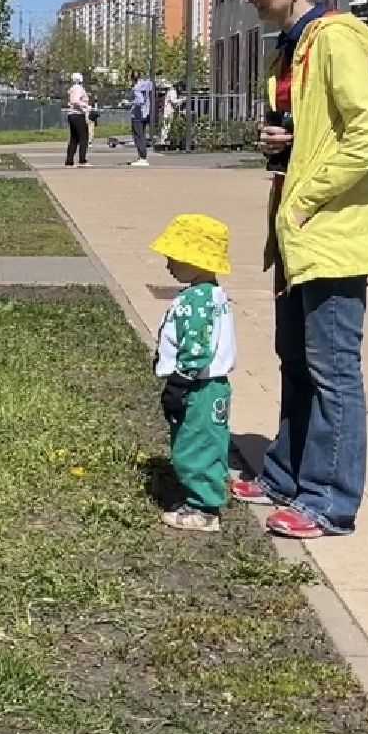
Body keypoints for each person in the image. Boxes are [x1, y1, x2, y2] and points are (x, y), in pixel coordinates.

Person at [234, 0, 368, 540]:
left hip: (329, 231)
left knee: (332, 369)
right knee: (296, 361)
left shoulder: (332, 40)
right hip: (296, 233)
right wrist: (279, 141)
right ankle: (284, 474)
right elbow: (313, 130)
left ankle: (328, 502)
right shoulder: (292, 48)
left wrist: (305, 198)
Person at [149, 214, 237, 533]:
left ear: (195, 260)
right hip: (215, 387)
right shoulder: (213, 294)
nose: (168, 264)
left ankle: (203, 510)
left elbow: (197, 348)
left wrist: (180, 382)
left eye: (173, 257)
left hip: (199, 387)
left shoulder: (194, 300)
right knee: (209, 442)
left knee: (194, 444)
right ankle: (204, 496)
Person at [64, 72, 92, 167]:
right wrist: (85, 106)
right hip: (78, 115)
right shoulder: (79, 89)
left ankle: (69, 160)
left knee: (74, 138)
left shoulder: (72, 89)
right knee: (84, 137)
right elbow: (75, 100)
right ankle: (82, 160)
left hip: (71, 115)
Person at [129, 70, 154, 166]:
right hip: (145, 112)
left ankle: (142, 157)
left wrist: (129, 103)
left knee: (138, 136)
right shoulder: (146, 84)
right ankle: (142, 156)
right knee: (141, 134)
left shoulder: (136, 88)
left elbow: (140, 100)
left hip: (137, 114)